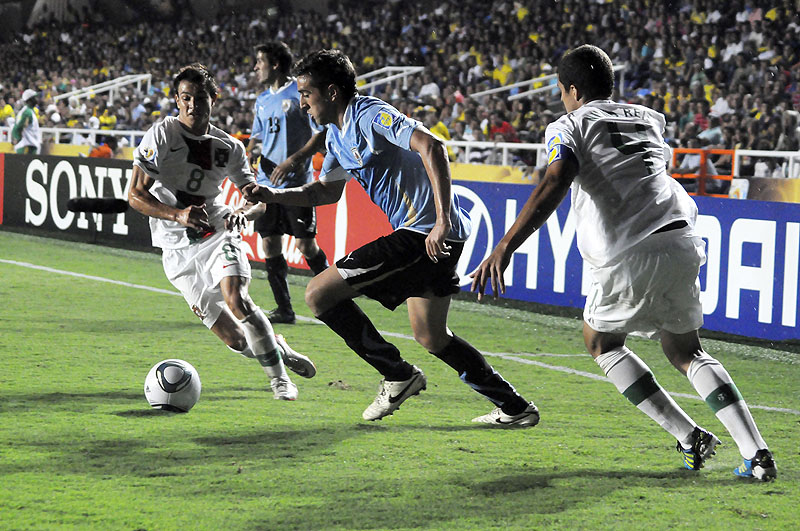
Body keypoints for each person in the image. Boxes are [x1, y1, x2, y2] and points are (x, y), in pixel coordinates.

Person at [470, 45, 776, 480]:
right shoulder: (649, 118)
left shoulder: (569, 124)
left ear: (572, 90)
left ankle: (689, 436)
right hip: (682, 237)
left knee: (601, 342)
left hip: (630, 247)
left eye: (561, 91)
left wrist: (505, 246)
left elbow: (557, 178)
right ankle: (757, 454)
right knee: (686, 350)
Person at [243, 49, 538, 425]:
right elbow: (326, 192)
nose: (302, 103)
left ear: (331, 92)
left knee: (318, 294)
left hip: (424, 233)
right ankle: (515, 407)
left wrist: (442, 220)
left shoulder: (369, 114)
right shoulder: (334, 136)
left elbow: (432, 146)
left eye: (306, 94)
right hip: (430, 235)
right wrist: (273, 195)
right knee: (431, 336)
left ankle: (397, 374)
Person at [128, 63, 316, 401]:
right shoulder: (163, 134)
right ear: (177, 100)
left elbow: (257, 201)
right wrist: (178, 214)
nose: (192, 105)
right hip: (176, 250)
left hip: (218, 232)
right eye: (186, 98)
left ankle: (280, 381)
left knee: (237, 298)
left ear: (213, 100)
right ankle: (278, 348)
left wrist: (243, 213)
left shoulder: (229, 147)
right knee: (236, 339)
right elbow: (135, 195)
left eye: (200, 98)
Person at [246, 42, 329, 325]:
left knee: (306, 246)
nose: (256, 67)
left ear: (275, 64)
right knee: (270, 244)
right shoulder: (262, 100)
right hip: (266, 183)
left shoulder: (299, 92)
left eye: (260, 62)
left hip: (297, 185)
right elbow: (257, 137)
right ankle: (284, 309)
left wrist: (293, 160)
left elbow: (320, 133)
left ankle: (333, 296)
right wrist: (251, 153)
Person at [12, 89, 41, 154]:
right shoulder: (27, 112)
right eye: (35, 98)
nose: (37, 99)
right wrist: (17, 138)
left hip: (31, 145)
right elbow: (18, 127)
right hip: (27, 147)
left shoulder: (30, 110)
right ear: (30, 100)